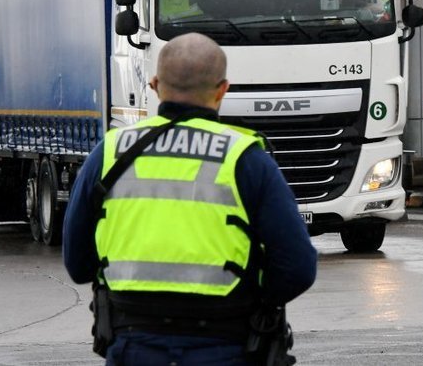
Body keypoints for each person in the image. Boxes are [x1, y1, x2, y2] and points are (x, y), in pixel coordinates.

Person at [63, 33, 317, 365]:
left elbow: (78, 265)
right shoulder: (246, 159)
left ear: (154, 85)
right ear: (223, 89)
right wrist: (253, 301)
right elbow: (297, 267)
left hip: (134, 345)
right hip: (225, 346)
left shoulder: (110, 152)